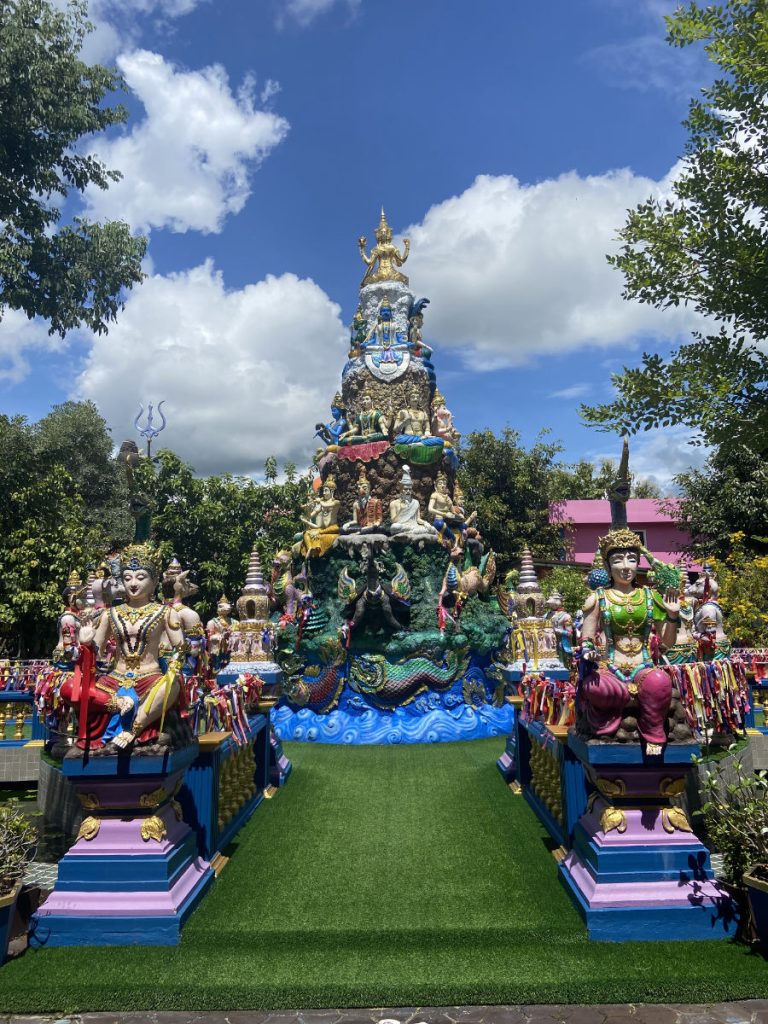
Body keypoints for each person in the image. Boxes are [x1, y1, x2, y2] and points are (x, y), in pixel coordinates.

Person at [59, 543, 185, 751]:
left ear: (154, 582)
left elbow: (180, 648)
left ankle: (134, 728)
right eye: (127, 578)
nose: (133, 583)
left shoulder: (165, 613)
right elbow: (95, 653)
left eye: (141, 577)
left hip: (149, 678)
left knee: (174, 685)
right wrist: (86, 643)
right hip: (114, 681)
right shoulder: (110, 614)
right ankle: (117, 704)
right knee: (68, 686)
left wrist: (174, 665)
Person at [579, 527, 681, 754]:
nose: (626, 567)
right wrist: (589, 651)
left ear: (638, 564)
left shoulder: (650, 596)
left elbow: (667, 641)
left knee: (660, 681)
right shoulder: (598, 597)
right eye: (618, 560)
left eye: (632, 560)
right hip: (611, 669)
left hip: (642, 667)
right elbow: (586, 638)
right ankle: (622, 704)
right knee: (593, 688)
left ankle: (652, 730)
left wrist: (673, 616)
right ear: (607, 566)